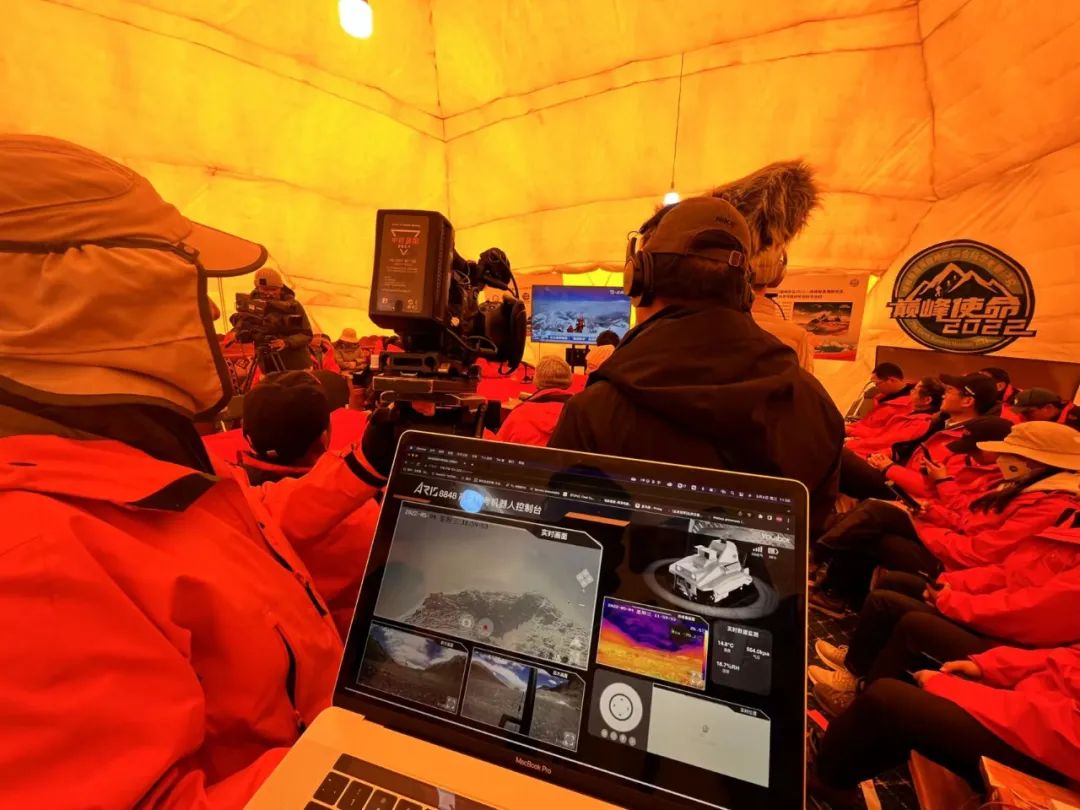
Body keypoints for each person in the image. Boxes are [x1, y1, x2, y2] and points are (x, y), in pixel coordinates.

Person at [0, 135, 398, 807]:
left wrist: (362, 466)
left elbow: (246, 533)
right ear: (68, 298)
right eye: (180, 282)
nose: (213, 313)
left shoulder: (122, 457)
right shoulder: (27, 560)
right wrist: (376, 760)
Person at [549, 180, 844, 532]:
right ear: (743, 290)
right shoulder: (817, 407)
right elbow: (813, 530)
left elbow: (560, 533)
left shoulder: (594, 410)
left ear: (639, 278)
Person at [809, 633, 1080, 805]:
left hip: (1053, 758)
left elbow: (1060, 728)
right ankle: (849, 736)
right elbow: (1064, 657)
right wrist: (988, 666)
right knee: (903, 611)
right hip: (1028, 705)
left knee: (889, 698)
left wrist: (952, 689)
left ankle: (830, 779)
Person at [812, 417, 1012, 611]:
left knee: (875, 515)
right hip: (939, 520)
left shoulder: (1003, 487)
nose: (972, 455)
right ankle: (833, 587)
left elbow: (970, 534)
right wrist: (930, 509)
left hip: (953, 551)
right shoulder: (979, 465)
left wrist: (930, 491)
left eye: (975, 450)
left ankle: (817, 557)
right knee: (871, 518)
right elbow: (962, 514)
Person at [241, 371, 378, 635]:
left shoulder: (230, 499)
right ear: (324, 438)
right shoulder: (361, 512)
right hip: (346, 639)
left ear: (248, 436)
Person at [841, 373, 999, 500]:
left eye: (950, 391)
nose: (944, 396)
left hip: (904, 491)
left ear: (967, 401)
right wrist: (884, 457)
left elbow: (935, 489)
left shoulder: (969, 441)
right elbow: (900, 447)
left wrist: (889, 467)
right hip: (895, 475)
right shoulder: (941, 425)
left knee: (840, 457)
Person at [747, 251, 815, 372]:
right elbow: (804, 379)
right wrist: (808, 349)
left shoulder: (717, 327)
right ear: (777, 277)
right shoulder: (797, 336)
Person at [845, 376, 943, 459]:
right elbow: (881, 433)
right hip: (865, 445)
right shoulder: (913, 414)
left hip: (872, 456)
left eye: (915, 390)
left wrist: (852, 441)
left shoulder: (920, 423)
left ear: (927, 400)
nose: (911, 391)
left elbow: (885, 442)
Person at [246, 266, 313, 372]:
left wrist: (286, 342)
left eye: (274, 289)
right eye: (265, 289)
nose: (270, 293)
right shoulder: (251, 306)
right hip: (268, 366)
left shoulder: (293, 306)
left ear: (281, 288)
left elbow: (307, 334)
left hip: (296, 365)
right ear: (258, 288)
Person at [495, 356, 574, 446]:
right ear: (569, 379)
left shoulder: (520, 413)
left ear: (535, 380)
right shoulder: (579, 413)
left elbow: (498, 447)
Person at [845, 363, 911, 440]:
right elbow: (868, 423)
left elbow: (887, 435)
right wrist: (848, 426)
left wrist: (850, 431)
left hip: (869, 443)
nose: (876, 387)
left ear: (891, 380)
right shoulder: (882, 399)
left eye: (877, 383)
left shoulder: (907, 406)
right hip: (861, 438)